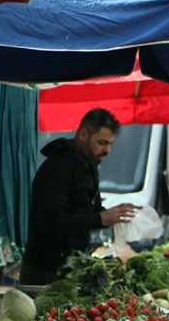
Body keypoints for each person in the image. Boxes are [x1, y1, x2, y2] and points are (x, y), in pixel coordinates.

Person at [22, 108, 139, 285]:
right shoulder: (58, 167)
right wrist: (100, 219)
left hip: (71, 265)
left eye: (110, 144)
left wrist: (116, 214)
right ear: (83, 134)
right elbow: (51, 220)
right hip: (46, 270)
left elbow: (90, 211)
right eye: (102, 142)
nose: (107, 150)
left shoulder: (88, 167)